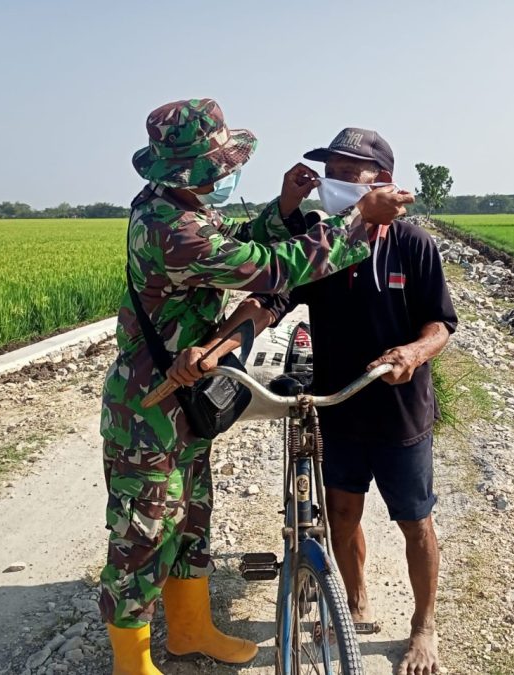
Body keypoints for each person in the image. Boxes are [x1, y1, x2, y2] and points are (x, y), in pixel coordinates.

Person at [100, 100, 413, 675]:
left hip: (189, 389)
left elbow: (240, 241)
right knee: (141, 532)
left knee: (191, 514)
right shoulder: (171, 228)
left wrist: (286, 205)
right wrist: (358, 219)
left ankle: (191, 630)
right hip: (149, 405)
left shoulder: (178, 202)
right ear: (192, 173)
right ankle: (132, 662)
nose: (225, 179)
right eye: (220, 170)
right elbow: (269, 269)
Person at [178, 128, 457, 675]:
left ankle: (424, 626)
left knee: (414, 522)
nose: (333, 181)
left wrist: (415, 352)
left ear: (382, 182)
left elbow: (441, 322)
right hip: (338, 404)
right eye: (330, 169)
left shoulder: (414, 244)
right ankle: (355, 599)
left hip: (401, 410)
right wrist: (218, 346)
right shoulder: (319, 242)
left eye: (347, 171)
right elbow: (269, 302)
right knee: (343, 514)